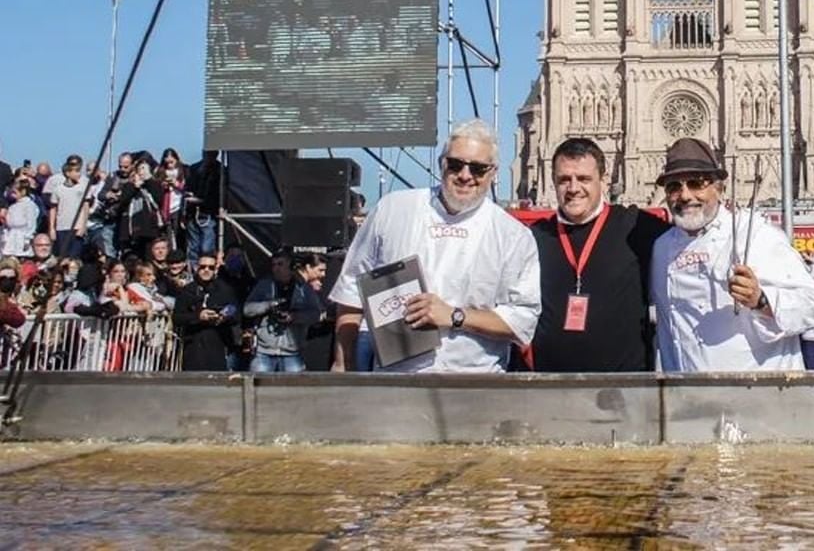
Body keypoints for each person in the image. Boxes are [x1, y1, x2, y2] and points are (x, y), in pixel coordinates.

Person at [330, 118, 541, 373]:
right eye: (455, 164)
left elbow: (523, 319)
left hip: (474, 382)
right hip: (395, 379)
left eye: (477, 168)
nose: (465, 176)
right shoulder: (393, 209)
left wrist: (454, 316)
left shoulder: (513, 235)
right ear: (442, 163)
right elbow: (352, 288)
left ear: (493, 173)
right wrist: (343, 363)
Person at [650, 138, 814, 371]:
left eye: (696, 183)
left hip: (756, 393)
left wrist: (761, 300)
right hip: (688, 395)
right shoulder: (661, 248)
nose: (685, 195)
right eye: (674, 186)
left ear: (719, 188)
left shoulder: (754, 234)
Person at [529, 137, 669, 372]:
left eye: (584, 179)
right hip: (550, 387)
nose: (573, 188)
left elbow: (691, 242)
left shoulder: (637, 227)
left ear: (604, 180)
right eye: (564, 179)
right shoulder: (535, 237)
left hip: (623, 389)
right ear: (553, 182)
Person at [244, 249, 323, 373]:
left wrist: (294, 317)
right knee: (257, 388)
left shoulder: (304, 288)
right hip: (264, 351)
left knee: (292, 389)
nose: (276, 268)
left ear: (291, 266)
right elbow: (247, 309)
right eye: (273, 265)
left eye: (280, 264)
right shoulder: (264, 285)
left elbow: (315, 314)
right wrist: (268, 305)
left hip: (292, 351)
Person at [173, 254, 240, 371]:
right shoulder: (187, 291)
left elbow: (236, 314)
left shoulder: (225, 289)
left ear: (216, 269)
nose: (206, 270)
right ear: (196, 268)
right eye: (203, 267)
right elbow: (177, 318)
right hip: (193, 346)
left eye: (211, 267)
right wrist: (198, 316)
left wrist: (224, 316)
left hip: (217, 345)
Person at [44, 155, 90, 257]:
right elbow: (53, 209)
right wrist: (52, 228)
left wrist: (83, 226)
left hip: (77, 227)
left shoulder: (83, 187)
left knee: (74, 257)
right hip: (62, 227)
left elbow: (85, 207)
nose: (79, 174)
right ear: (68, 173)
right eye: (76, 171)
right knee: (62, 256)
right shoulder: (58, 189)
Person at [184, 150, 221, 270]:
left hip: (209, 212)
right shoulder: (194, 168)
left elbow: (219, 194)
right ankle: (194, 272)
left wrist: (201, 200)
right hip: (192, 213)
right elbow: (187, 188)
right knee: (193, 247)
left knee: (207, 247)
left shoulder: (220, 170)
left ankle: (208, 269)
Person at [2, 177, 40, 258]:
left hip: (22, 238)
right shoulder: (12, 206)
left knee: (22, 257)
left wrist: (27, 239)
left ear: (23, 191)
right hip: (11, 237)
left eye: (14, 192)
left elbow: (31, 224)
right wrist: (6, 236)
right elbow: (7, 224)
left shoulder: (29, 205)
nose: (12, 194)